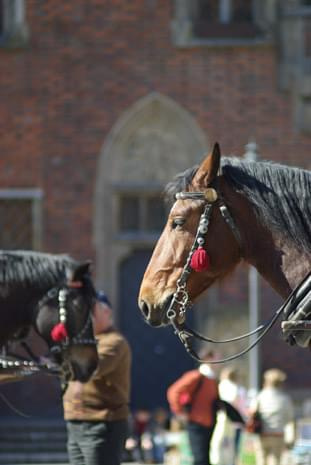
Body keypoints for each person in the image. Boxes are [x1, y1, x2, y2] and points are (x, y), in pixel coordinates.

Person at [63, 290, 131, 465]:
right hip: (76, 422)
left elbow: (91, 367)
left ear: (106, 312)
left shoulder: (114, 342)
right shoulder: (83, 342)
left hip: (102, 424)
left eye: (90, 310)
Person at [166, 350, 219, 465]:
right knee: (199, 459)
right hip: (196, 423)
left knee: (205, 458)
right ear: (207, 360)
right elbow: (174, 391)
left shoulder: (212, 379)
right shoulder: (196, 376)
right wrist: (179, 412)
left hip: (209, 423)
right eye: (215, 359)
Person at [250, 368, 295, 465]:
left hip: (262, 434)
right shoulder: (284, 399)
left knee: (261, 461)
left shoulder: (260, 396)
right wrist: (291, 437)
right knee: (275, 461)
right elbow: (289, 418)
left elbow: (252, 412)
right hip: (278, 434)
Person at [211, 366, 248, 465]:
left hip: (223, 422)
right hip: (235, 422)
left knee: (221, 448)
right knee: (232, 450)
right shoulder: (238, 389)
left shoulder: (220, 386)